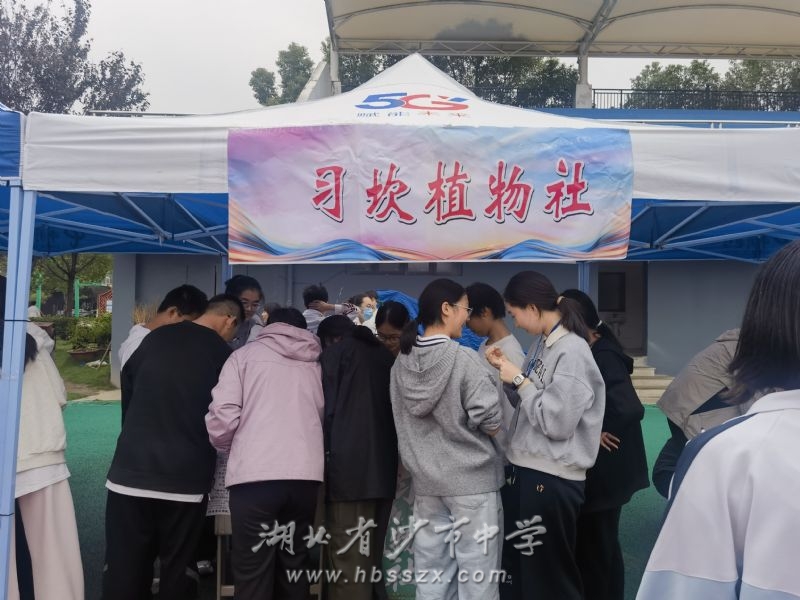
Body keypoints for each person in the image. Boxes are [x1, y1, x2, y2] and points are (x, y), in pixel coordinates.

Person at [637, 240, 800, 600]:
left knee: (687, 465)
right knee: (684, 464)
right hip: (698, 408)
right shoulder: (733, 448)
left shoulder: (739, 344)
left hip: (696, 409)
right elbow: (754, 393)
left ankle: (685, 507)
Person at [102, 294, 243, 600]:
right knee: (179, 569)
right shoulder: (224, 354)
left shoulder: (154, 339)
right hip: (186, 480)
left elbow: (130, 395)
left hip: (129, 473)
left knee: (124, 568)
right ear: (230, 320)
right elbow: (225, 416)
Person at [486, 271, 605, 600]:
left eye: (514, 313)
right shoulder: (543, 342)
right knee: (520, 573)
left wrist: (519, 380)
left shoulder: (572, 351)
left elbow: (558, 422)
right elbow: (529, 404)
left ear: (532, 308)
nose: (515, 322)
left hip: (551, 478)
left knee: (548, 578)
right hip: (528, 471)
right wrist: (509, 374)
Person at [391, 278, 504, 600]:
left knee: (432, 578)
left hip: (426, 484)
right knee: (478, 579)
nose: (467, 316)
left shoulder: (401, 362)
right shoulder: (463, 358)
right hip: (473, 484)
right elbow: (490, 420)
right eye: (465, 309)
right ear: (446, 309)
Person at [206, 307, 324, 600]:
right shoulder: (316, 362)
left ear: (269, 325)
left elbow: (223, 417)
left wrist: (231, 448)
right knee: (293, 563)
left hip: (254, 479)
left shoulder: (243, 357)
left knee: (253, 569)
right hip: (305, 478)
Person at [561, 289, 649, 600]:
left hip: (609, 470)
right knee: (603, 545)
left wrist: (596, 430)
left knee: (597, 546)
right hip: (609, 469)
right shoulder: (593, 348)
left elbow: (630, 408)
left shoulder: (604, 354)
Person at [317, 315, 397, 600]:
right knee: (375, 555)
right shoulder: (386, 356)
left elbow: (325, 412)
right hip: (386, 471)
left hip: (348, 473)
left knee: (348, 558)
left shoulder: (335, 355)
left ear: (330, 339)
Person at [5, 321, 83, 600]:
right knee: (55, 556)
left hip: (27, 452)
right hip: (41, 450)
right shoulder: (30, 336)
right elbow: (60, 395)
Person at [651, 328, 742, 497]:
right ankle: (691, 500)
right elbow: (757, 398)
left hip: (681, 408)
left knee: (681, 453)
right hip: (692, 412)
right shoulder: (746, 350)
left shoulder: (732, 343)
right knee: (708, 468)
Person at [465, 282, 526, 431]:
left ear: (485, 312)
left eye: (469, 316)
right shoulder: (484, 345)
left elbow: (513, 412)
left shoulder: (510, 352)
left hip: (500, 440)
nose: (466, 324)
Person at [118, 284, 208, 369]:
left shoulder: (152, 340)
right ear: (173, 312)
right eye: (189, 324)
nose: (190, 331)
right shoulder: (140, 346)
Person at [225, 274, 265, 349]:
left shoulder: (255, 327)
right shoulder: (219, 322)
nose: (249, 308)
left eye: (255, 304)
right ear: (230, 300)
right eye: (244, 303)